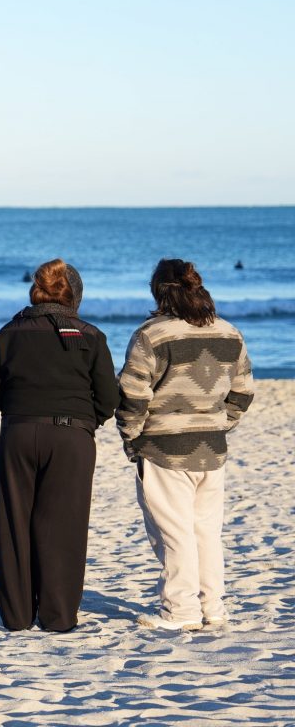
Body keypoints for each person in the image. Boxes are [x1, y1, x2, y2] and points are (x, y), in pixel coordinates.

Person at [117, 258, 254, 631]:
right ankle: (213, 609)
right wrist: (219, 425)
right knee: (206, 532)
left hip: (163, 448)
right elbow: (243, 391)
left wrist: (131, 437)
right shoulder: (229, 333)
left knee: (174, 533)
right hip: (212, 448)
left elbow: (132, 393)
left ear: (158, 291)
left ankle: (181, 612)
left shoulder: (152, 335)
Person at [0, 258, 118, 632]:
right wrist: (85, 423)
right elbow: (108, 396)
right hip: (71, 437)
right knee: (65, 527)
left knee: (15, 524)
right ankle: (58, 617)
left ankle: (16, 616)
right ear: (74, 295)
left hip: (19, 433)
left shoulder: (8, 333)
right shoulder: (90, 335)